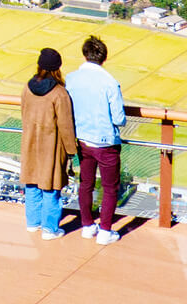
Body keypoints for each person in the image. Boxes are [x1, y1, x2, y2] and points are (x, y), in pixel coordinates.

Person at [65, 34, 126, 244]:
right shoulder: (110, 82)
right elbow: (119, 118)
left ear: (84, 55)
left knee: (85, 184)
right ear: (104, 58)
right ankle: (106, 231)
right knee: (110, 188)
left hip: (81, 139)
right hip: (106, 142)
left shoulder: (71, 79)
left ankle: (87, 225)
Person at [18, 46, 77, 241]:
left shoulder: (27, 88)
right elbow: (66, 125)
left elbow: (24, 113)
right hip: (51, 147)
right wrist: (71, 150)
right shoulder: (59, 93)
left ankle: (32, 223)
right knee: (51, 187)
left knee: (32, 183)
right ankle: (50, 229)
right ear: (57, 68)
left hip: (29, 143)